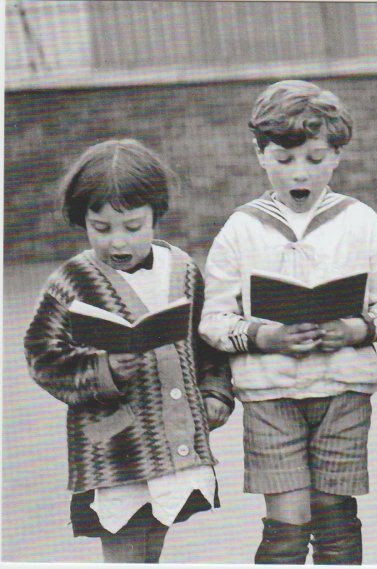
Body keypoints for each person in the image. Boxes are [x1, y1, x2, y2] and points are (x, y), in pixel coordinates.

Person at [199, 79, 377, 565]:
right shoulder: (241, 228)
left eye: (315, 159)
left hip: (343, 390)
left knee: (335, 512)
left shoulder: (361, 221)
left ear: (336, 155)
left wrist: (355, 329)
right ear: (260, 154)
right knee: (287, 522)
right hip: (270, 393)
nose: (300, 173)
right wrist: (265, 334)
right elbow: (213, 320)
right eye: (284, 158)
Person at [24, 139, 234, 563]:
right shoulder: (71, 280)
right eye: (100, 228)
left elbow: (207, 344)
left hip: (172, 441)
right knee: (124, 546)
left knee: (154, 542)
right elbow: (42, 356)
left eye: (132, 226)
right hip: (115, 448)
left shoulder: (183, 271)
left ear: (156, 216)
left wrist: (215, 395)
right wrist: (103, 369)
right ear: (82, 220)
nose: (117, 242)